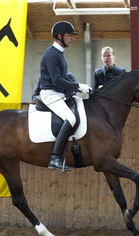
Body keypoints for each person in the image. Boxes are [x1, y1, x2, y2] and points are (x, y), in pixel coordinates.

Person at [39, 21, 91, 171]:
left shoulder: (59, 53)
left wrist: (76, 87)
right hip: (50, 94)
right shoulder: (51, 54)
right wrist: (78, 86)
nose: (72, 38)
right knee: (71, 118)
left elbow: (64, 76)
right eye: (70, 35)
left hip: (58, 93)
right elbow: (56, 80)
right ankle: (55, 158)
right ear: (60, 36)